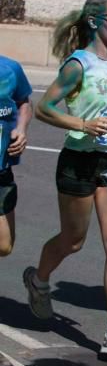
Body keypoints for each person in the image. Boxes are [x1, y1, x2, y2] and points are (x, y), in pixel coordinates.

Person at [25, 0, 107, 357]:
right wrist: (81, 124)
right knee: (73, 240)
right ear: (94, 22)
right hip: (77, 161)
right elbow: (44, 108)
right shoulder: (78, 65)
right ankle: (38, 280)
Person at [0, 55, 32, 257]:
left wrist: (21, 128)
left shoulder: (10, 69)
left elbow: (24, 103)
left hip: (2, 168)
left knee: (5, 245)